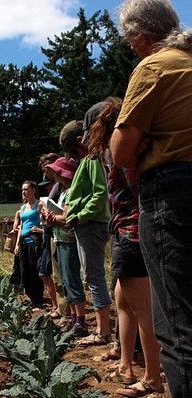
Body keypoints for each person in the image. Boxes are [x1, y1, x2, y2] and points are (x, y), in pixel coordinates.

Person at [110, 1, 192, 396]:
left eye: (129, 39)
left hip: (174, 192)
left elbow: (122, 150)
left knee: (177, 321)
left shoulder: (155, 66)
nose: (130, 47)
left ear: (140, 36)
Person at [87, 98, 162, 396]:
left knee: (143, 308)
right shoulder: (116, 150)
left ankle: (153, 376)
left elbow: (137, 190)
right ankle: (125, 364)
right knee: (123, 300)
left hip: (132, 232)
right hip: (126, 231)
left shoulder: (118, 150)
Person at [61, 119, 112, 346]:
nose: (74, 155)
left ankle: (103, 332)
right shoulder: (85, 161)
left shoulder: (91, 160)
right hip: (85, 226)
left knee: (94, 276)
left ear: (80, 142)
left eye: (74, 150)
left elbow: (99, 195)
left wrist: (79, 215)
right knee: (90, 275)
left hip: (90, 225)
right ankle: (103, 330)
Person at [44, 157, 88, 335]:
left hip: (69, 240)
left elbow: (67, 217)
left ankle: (81, 321)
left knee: (72, 279)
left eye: (57, 172)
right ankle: (72, 317)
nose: (55, 175)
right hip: (60, 239)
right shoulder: (63, 192)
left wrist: (53, 218)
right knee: (65, 281)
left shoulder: (71, 192)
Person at [14, 181, 45, 307]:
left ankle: (38, 298)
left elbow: (45, 220)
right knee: (24, 268)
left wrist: (40, 230)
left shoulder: (40, 204)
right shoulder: (23, 207)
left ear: (33, 190)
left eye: (26, 189)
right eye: (22, 190)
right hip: (23, 242)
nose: (24, 192)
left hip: (34, 241)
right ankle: (31, 296)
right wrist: (16, 244)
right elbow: (21, 227)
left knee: (34, 269)